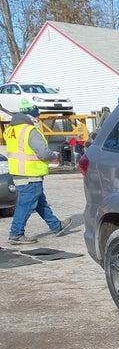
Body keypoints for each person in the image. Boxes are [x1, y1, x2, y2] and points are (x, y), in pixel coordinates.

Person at [4, 99, 71, 244]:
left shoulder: (10, 130)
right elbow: (43, 153)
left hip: (19, 172)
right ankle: (16, 234)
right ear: (31, 116)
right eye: (37, 115)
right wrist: (54, 155)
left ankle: (56, 226)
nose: (38, 118)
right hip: (30, 174)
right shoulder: (30, 131)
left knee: (40, 202)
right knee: (25, 204)